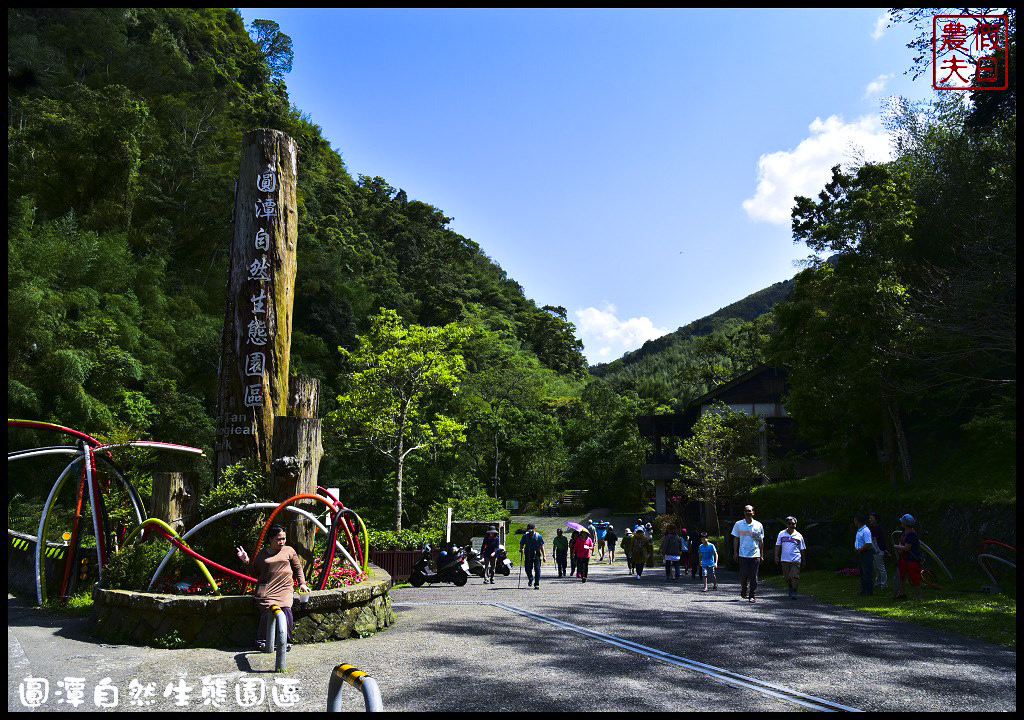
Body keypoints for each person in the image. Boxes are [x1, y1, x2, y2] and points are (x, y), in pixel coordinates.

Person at [236, 525, 309, 651]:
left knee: (286, 610)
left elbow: (298, 568)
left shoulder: (289, 551)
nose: (282, 542)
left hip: (285, 589)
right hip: (267, 590)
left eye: (284, 539)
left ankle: (286, 641)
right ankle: (261, 640)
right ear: (270, 539)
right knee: (267, 612)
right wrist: (246, 560)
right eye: (278, 539)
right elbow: (254, 572)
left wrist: (302, 583)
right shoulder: (262, 554)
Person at [731, 505, 765, 603]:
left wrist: (761, 554)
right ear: (744, 513)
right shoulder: (738, 524)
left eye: (750, 511)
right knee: (744, 575)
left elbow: (761, 541)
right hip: (743, 555)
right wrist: (735, 552)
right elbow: (736, 539)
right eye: (746, 511)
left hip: (755, 554)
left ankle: (752, 595)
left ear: (753, 512)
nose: (748, 512)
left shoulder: (758, 525)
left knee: (754, 576)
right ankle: (744, 589)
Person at [891, 513, 922, 602]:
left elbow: (907, 548)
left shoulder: (911, 534)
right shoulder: (905, 532)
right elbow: (902, 544)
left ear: (905, 523)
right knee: (902, 576)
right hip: (904, 558)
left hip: (912, 560)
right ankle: (902, 593)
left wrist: (897, 547)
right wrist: (900, 548)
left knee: (914, 578)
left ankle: (918, 596)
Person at [774, 516, 807, 599]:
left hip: (796, 559)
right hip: (784, 559)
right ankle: (790, 588)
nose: (791, 525)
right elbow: (777, 546)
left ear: (796, 524)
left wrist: (804, 560)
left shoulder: (799, 535)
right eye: (790, 523)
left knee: (794, 576)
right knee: (787, 577)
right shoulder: (781, 534)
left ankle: (795, 591)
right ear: (787, 524)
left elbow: (802, 549)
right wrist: (776, 556)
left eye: (793, 524)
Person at [853, 513, 875, 596]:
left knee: (867, 572)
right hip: (861, 553)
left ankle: (869, 591)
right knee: (862, 572)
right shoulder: (859, 530)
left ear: (858, 521)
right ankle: (864, 590)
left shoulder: (866, 530)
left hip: (866, 553)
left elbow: (868, 543)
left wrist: (860, 550)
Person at [519, 523, 546, 589]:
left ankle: (537, 583)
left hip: (536, 553)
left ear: (534, 529)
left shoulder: (538, 536)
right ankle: (530, 578)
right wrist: (521, 548)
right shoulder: (525, 536)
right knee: (527, 568)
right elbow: (522, 543)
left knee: (537, 569)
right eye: (529, 531)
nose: (531, 532)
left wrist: (544, 556)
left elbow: (542, 546)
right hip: (528, 553)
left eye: (532, 531)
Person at [867, 511, 888, 591]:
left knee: (881, 567)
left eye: (872, 518)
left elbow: (882, 540)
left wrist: (884, 549)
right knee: (876, 567)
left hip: (878, 550)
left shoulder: (878, 529)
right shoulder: (871, 528)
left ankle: (884, 584)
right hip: (873, 550)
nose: (870, 519)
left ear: (876, 519)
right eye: (869, 518)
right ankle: (878, 582)